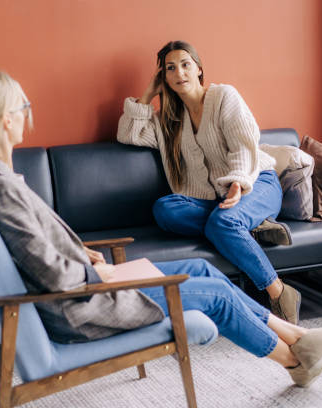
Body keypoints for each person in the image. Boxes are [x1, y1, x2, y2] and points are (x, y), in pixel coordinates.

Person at [0, 69, 322, 388]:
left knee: (204, 272)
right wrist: (100, 272)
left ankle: (299, 337)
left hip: (82, 290)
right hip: (85, 305)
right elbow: (52, 274)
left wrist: (83, 255)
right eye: (24, 108)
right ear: (5, 120)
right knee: (216, 295)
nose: (27, 116)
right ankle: (296, 363)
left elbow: (38, 250)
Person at [117, 41, 301, 325]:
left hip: (256, 183)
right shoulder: (168, 121)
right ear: (163, 76)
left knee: (222, 222)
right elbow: (129, 134)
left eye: (186, 64)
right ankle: (251, 227)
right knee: (166, 209)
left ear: (199, 69)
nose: (180, 72)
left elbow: (243, 144)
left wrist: (238, 183)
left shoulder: (224, 97)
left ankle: (279, 291)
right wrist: (149, 93)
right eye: (170, 68)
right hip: (215, 201)